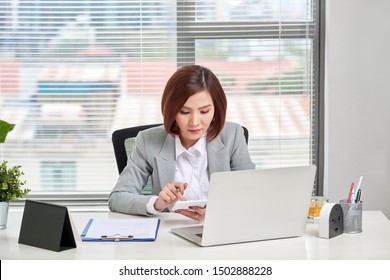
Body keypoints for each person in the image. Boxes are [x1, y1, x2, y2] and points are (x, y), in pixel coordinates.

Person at [108, 65, 255, 220]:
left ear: (216, 110)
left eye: (204, 111)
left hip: (219, 229)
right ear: (171, 110)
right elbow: (117, 198)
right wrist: (157, 203)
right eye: (184, 112)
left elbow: (250, 194)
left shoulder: (233, 135)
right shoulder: (147, 140)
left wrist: (218, 212)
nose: (195, 122)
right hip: (167, 234)